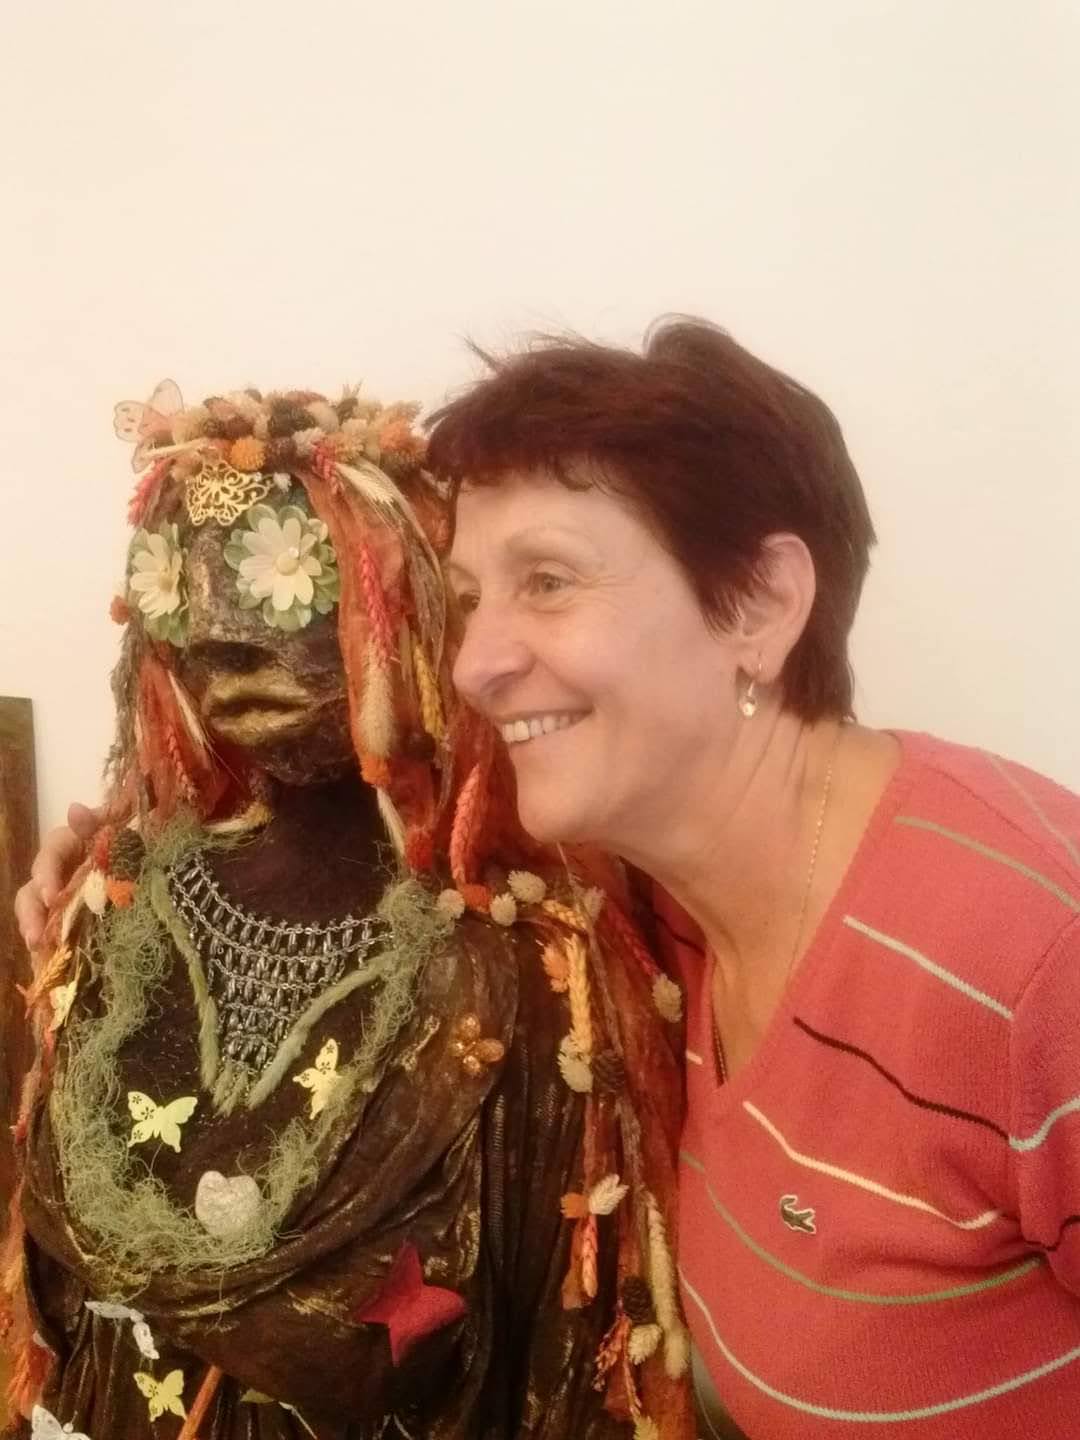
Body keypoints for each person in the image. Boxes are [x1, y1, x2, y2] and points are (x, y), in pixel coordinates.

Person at [418, 318, 1080, 1439]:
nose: (475, 662)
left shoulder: (1033, 957)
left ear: (759, 606)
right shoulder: (646, 906)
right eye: (470, 595)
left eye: (549, 580)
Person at [2, 381, 691, 1440]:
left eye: (286, 590)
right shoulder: (119, 902)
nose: (223, 646)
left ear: (414, 605)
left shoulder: (532, 959)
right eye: (185, 604)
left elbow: (547, 1347)